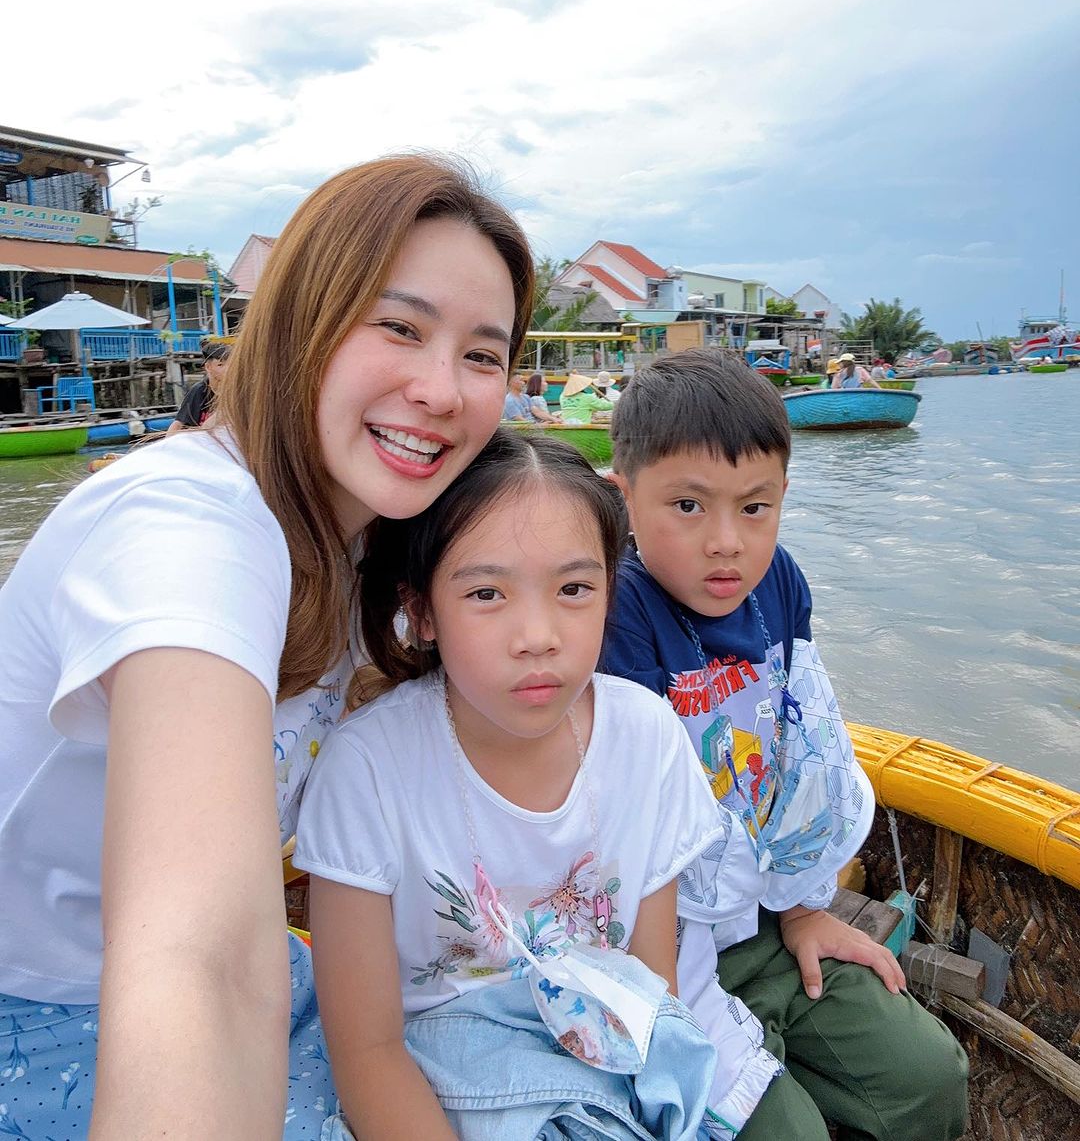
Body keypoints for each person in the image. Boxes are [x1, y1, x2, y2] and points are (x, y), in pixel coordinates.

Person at [0, 154, 535, 1140]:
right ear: (304, 322)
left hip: (234, 975)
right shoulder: (186, 525)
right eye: (401, 328)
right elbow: (199, 959)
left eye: (482, 355)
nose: (442, 390)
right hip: (39, 1013)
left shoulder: (355, 535)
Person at [294, 428, 762, 1139]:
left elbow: (650, 990)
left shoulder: (646, 736)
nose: (538, 634)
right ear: (420, 611)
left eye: (575, 588)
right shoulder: (367, 770)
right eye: (487, 593)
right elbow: (368, 1050)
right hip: (437, 1087)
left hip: (610, 1070)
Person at [600, 350, 969, 1141]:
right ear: (624, 496)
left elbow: (805, 753)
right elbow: (632, 830)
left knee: (929, 1077)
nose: (727, 543)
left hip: (765, 923)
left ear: (784, 499)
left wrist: (806, 908)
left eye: (755, 508)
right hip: (665, 945)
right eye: (688, 507)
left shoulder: (779, 582)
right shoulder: (615, 611)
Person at [165, 336, 233, 435]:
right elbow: (179, 423)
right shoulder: (199, 391)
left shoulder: (235, 391)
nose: (227, 370)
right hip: (201, 440)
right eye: (220, 365)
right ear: (208, 367)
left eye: (230, 364)